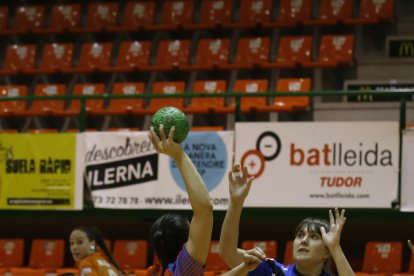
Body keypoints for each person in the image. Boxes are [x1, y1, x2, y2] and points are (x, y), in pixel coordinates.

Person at [219, 163, 355, 276]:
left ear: (326, 252)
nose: (304, 240)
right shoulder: (272, 270)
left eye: (313, 237)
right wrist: (236, 203)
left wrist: (335, 248)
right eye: (300, 235)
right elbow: (227, 252)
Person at [148, 124, 213, 275]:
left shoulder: (155, 272)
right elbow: (204, 209)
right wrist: (178, 155)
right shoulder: (184, 269)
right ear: (186, 245)